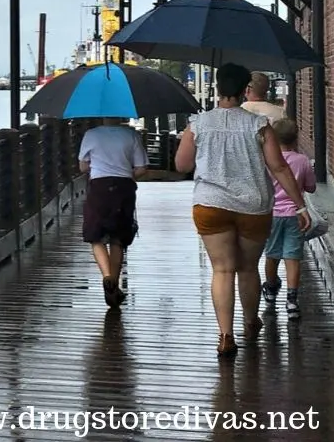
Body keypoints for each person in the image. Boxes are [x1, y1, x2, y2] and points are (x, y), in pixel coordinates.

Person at [174, 64, 311, 357]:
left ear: (218, 88)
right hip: (253, 206)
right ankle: (250, 322)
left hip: (210, 204)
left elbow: (181, 165)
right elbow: (279, 167)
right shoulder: (258, 125)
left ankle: (225, 336)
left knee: (222, 269)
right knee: (248, 268)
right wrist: (300, 205)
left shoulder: (198, 123)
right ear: (243, 89)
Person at [78, 119, 149, 308]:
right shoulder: (132, 135)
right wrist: (126, 175)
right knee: (118, 239)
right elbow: (142, 168)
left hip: (99, 187)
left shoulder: (91, 135)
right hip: (124, 187)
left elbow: (83, 167)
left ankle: (107, 277)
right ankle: (114, 287)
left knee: (96, 237)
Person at [261, 117, 317, 321]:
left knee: (272, 254)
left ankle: (271, 287)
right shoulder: (302, 161)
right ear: (296, 138)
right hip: (295, 215)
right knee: (293, 256)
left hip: (272, 214)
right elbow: (311, 187)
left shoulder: (266, 161)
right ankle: (292, 300)